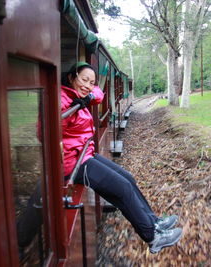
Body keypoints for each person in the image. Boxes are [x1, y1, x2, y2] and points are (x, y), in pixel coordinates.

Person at [61, 62, 182, 253]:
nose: (87, 85)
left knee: (128, 178)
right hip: (73, 162)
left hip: (85, 153)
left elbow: (99, 94)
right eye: (84, 79)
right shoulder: (61, 98)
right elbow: (45, 131)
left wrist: (89, 96)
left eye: (91, 82)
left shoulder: (80, 95)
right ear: (71, 77)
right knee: (122, 188)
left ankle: (154, 222)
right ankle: (153, 237)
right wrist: (71, 110)